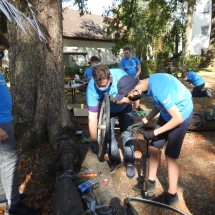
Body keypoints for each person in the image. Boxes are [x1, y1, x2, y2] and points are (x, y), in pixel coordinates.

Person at [114, 73, 193, 205]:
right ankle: (150, 182)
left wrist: (154, 132)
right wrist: (143, 121)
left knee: (171, 155)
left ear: (135, 90)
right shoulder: (145, 86)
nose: (129, 99)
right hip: (168, 113)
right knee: (153, 147)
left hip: (181, 114)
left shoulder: (159, 89)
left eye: (128, 96)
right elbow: (159, 104)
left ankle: (172, 195)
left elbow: (177, 118)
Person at [0, 33, 40, 215]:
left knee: (5, 161)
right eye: (0, 51)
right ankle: (14, 206)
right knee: (10, 160)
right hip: (1, 123)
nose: (2, 56)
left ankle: (8, 195)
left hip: (5, 119)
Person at [86, 64, 135, 179]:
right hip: (107, 110)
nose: (101, 88)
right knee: (108, 136)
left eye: (104, 85)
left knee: (127, 133)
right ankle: (115, 160)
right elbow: (92, 117)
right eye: (99, 86)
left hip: (124, 107)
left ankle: (130, 162)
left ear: (110, 78)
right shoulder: (91, 88)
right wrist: (93, 139)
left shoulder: (121, 76)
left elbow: (132, 98)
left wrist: (117, 100)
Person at [119, 46, 142, 111]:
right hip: (127, 80)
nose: (126, 54)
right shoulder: (123, 61)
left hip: (135, 79)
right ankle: (129, 108)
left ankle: (137, 107)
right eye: (124, 53)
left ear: (130, 52)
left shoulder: (135, 59)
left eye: (127, 53)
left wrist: (135, 77)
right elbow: (122, 71)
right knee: (128, 93)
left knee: (137, 92)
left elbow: (139, 69)